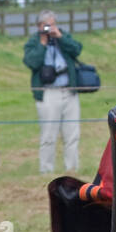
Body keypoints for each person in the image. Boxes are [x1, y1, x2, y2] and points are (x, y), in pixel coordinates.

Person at [23, 10, 83, 173]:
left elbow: (77, 49)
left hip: (69, 91)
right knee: (48, 135)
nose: (50, 28)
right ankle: (46, 170)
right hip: (48, 93)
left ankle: (72, 169)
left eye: (53, 24)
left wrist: (60, 37)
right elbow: (32, 62)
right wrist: (42, 43)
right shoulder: (34, 42)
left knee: (72, 134)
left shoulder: (62, 36)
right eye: (46, 25)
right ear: (39, 26)